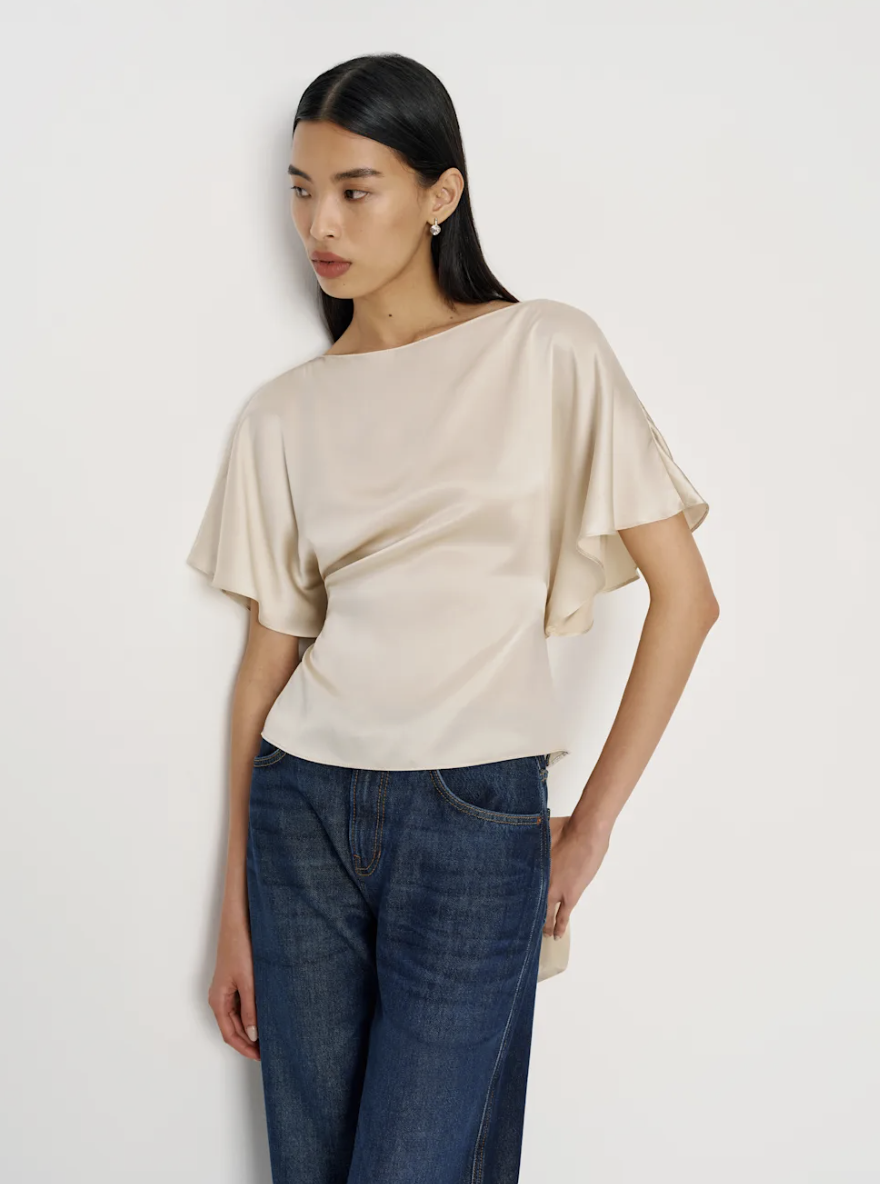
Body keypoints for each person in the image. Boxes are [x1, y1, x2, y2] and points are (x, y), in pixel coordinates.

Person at [185, 51, 718, 1184]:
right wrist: (233, 913)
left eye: (355, 188)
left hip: (475, 816)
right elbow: (264, 668)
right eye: (300, 189)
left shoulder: (547, 348)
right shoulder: (284, 413)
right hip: (299, 813)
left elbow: (689, 598)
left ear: (441, 194)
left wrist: (589, 828)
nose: (320, 224)